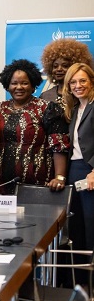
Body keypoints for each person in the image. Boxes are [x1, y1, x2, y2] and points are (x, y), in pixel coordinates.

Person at [0, 59, 69, 194]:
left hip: (37, 180)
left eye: (24, 83)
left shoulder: (47, 108)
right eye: (14, 83)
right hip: (2, 181)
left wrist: (59, 177)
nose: (19, 87)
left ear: (33, 86)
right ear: (7, 86)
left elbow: (59, 145)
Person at [63, 63, 94, 251]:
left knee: (91, 227)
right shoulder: (74, 109)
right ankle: (79, 280)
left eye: (83, 80)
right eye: (73, 82)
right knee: (76, 229)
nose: (78, 85)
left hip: (90, 171)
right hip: (73, 172)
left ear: (91, 82)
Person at [40, 38, 94, 103]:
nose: (59, 69)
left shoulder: (82, 93)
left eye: (65, 66)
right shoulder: (45, 96)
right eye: (55, 66)